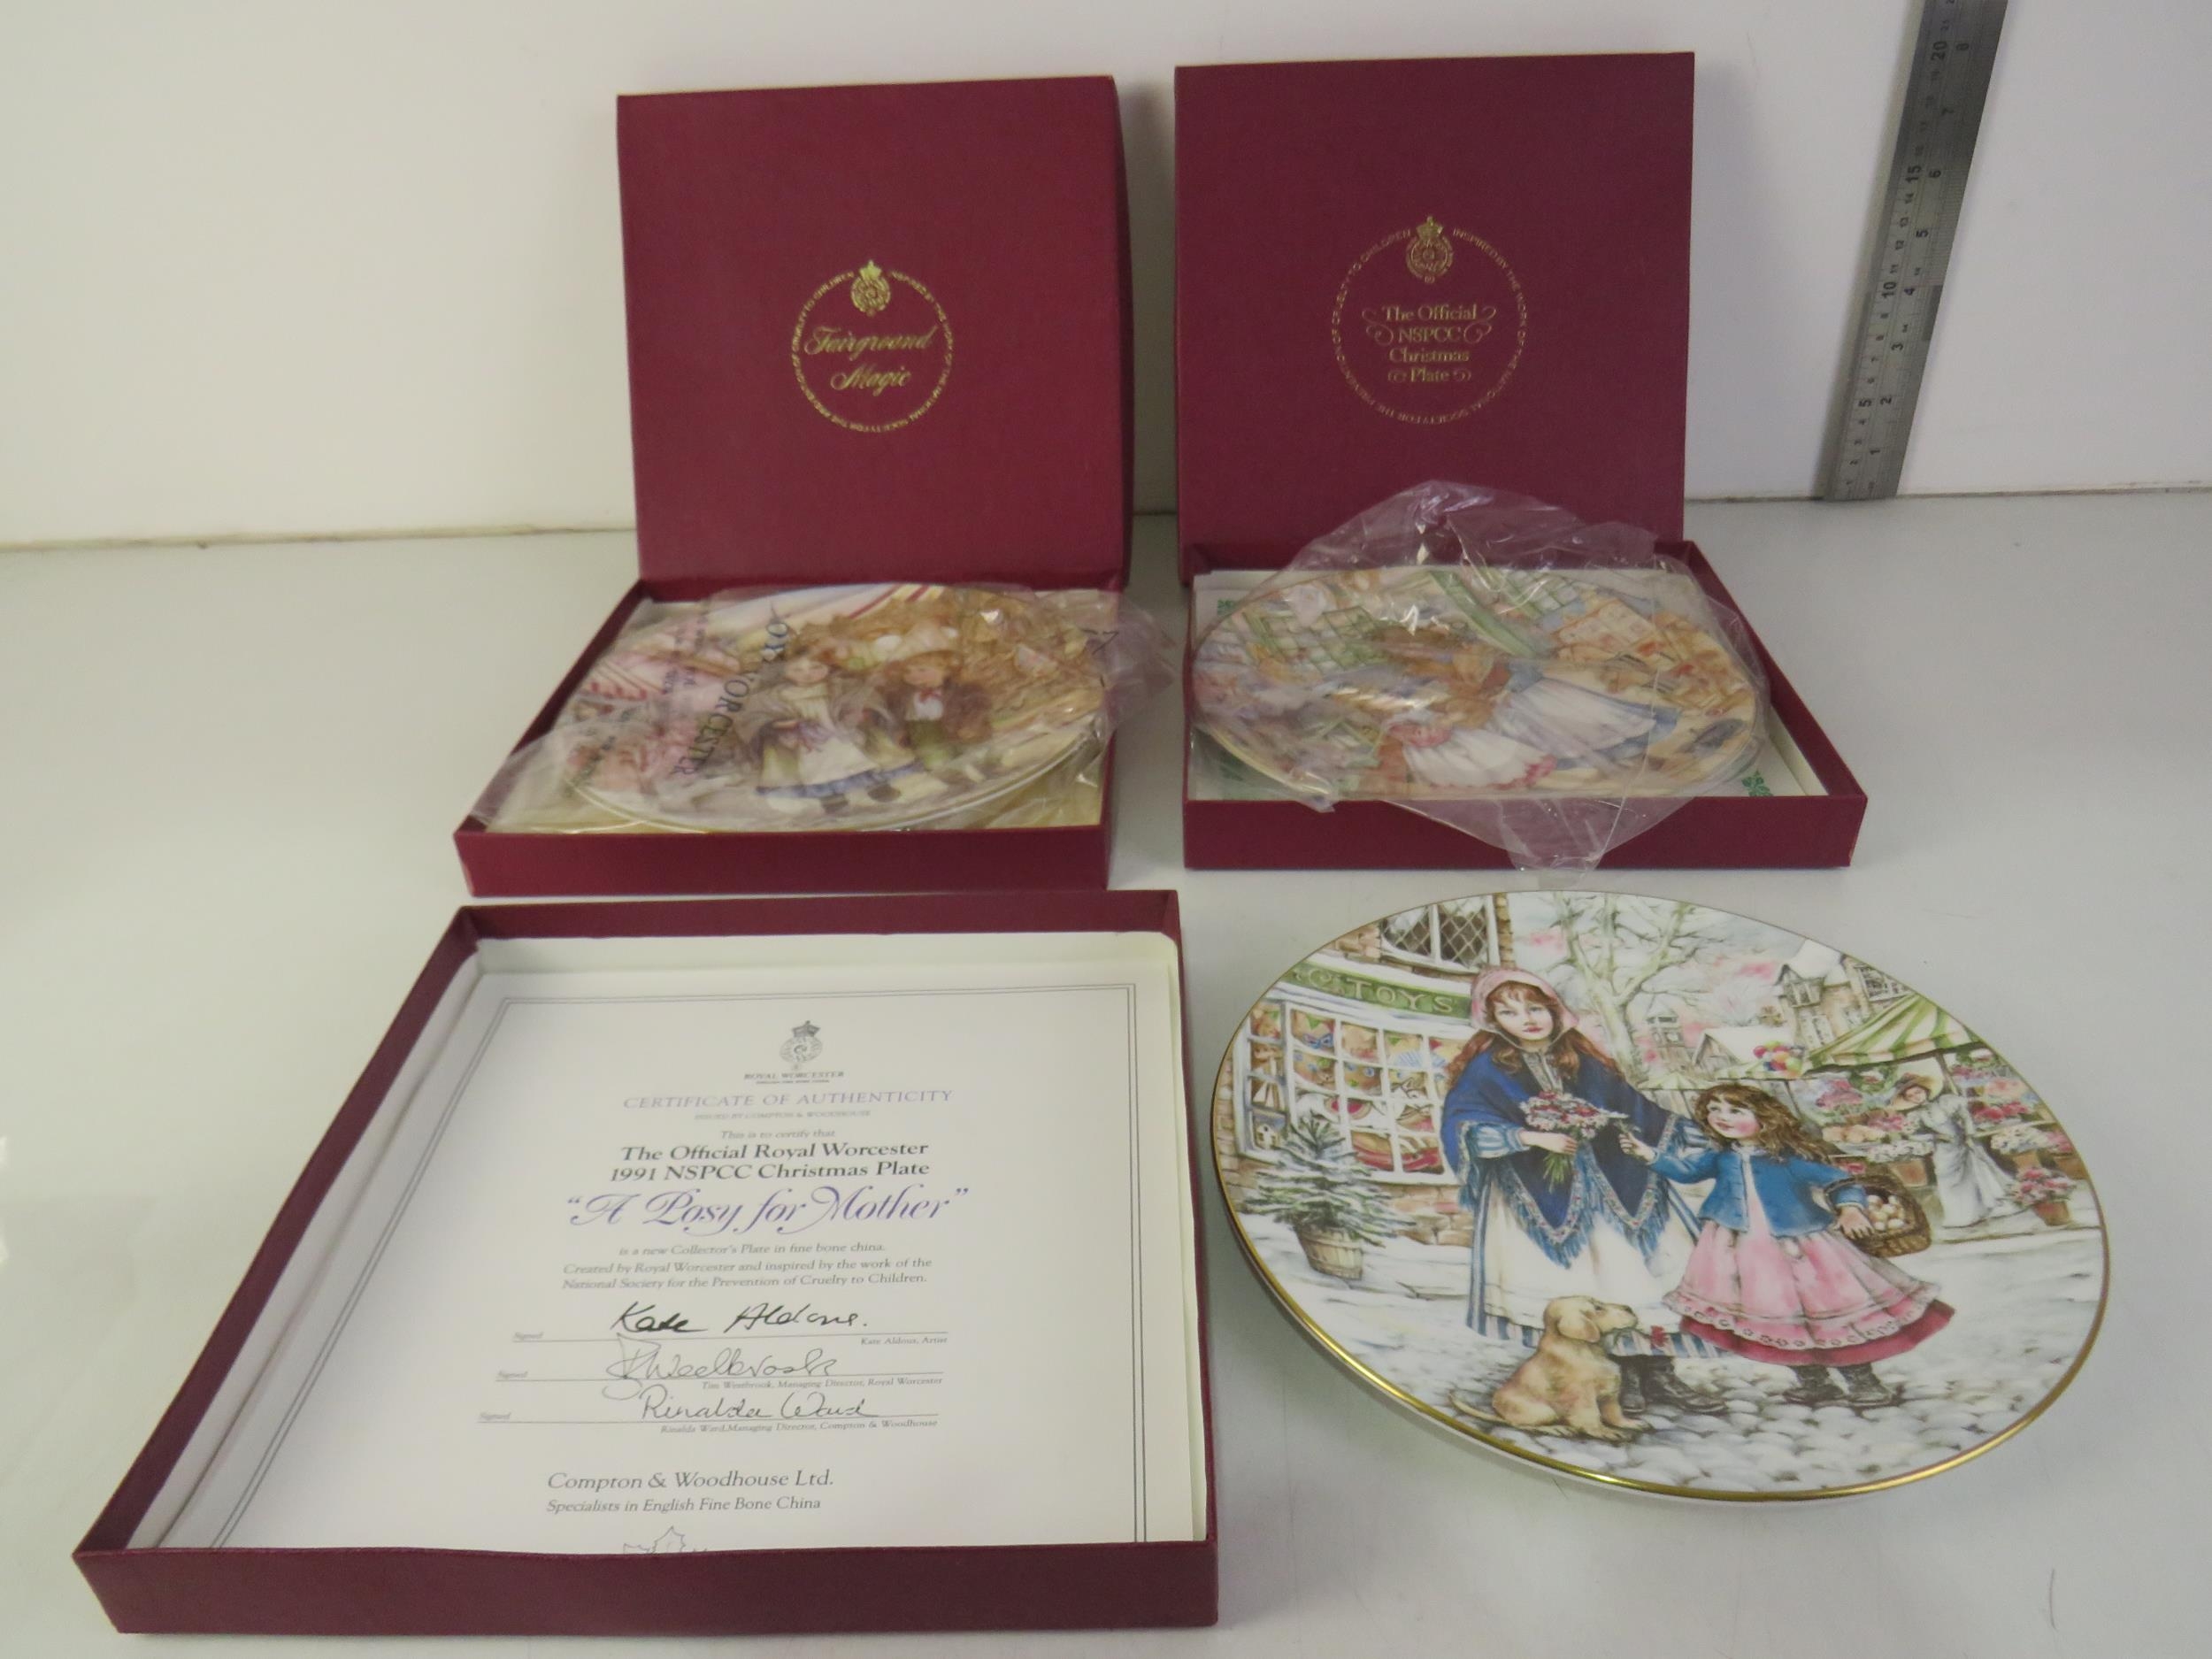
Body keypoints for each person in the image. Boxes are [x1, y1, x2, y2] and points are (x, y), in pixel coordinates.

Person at [1439, 968, 1721, 1416]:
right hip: (1539, 1187)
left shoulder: (1582, 1060)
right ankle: (1615, 1378)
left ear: (1554, 1009)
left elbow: (1636, 1109)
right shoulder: (1488, 1068)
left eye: (1535, 1008)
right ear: (1491, 1019)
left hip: (1619, 1182)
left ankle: (1658, 1373)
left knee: (1641, 1272)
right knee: (1586, 1285)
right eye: (1509, 1012)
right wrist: (1530, 1137)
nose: (1527, 1019)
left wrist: (1703, 1137)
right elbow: (1464, 1123)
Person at [1624, 1084, 1953, 1408]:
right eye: (1714, 1110)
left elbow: (1840, 1181)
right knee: (1773, 1314)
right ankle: (1813, 1381)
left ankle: (1861, 1380)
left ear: (1765, 1117)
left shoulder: (1788, 1159)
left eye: (1735, 1110)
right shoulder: (1720, 1157)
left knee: (1826, 1309)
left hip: (1800, 1244)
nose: (1722, 1117)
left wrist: (1850, 1208)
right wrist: (1650, 1155)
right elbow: (1687, 1171)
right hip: (1739, 1246)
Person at [1895, 1077, 2020, 1230]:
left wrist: (1969, 1135)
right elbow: (1914, 1135)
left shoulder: (1945, 1102)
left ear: (1925, 1091)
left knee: (1975, 1172)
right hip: (1944, 1149)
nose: (1916, 1097)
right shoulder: (1917, 1115)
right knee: (1946, 1176)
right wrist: (1935, 1136)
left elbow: (1965, 1117)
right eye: (1911, 1096)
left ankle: (1986, 1208)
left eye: (1918, 1092)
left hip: (1963, 1142)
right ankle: (1961, 1215)